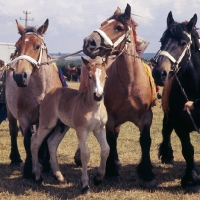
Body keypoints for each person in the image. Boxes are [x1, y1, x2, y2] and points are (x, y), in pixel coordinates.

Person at [0, 59, 7, 124]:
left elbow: (6, 82)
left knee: (5, 111)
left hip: (4, 95)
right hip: (1, 94)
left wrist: (1, 83)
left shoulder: (5, 71)